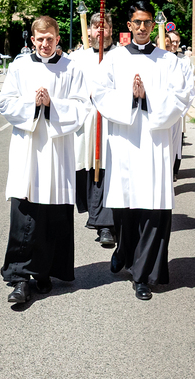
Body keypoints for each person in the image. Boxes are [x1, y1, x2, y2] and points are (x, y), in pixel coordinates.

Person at [91, 1, 192, 301]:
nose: (143, 27)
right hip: (125, 143)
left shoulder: (169, 61)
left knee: (153, 210)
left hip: (154, 144)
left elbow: (183, 96)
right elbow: (99, 93)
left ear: (153, 25)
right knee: (125, 210)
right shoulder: (113, 59)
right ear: (130, 25)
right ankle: (124, 251)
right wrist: (130, 98)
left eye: (148, 22)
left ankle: (143, 276)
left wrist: (148, 99)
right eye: (138, 22)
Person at [0, 16, 91, 304]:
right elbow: (5, 102)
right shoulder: (19, 66)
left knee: (53, 215)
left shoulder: (71, 68)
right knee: (25, 212)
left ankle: (45, 272)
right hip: (28, 149)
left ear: (58, 38)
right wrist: (32, 104)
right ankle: (19, 277)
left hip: (57, 150)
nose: (45, 44)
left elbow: (82, 107)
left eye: (50, 38)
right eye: (40, 39)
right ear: (32, 40)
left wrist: (52, 105)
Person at [69, 13, 118, 247]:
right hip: (86, 123)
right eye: (96, 27)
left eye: (105, 27)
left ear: (111, 31)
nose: (100, 32)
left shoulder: (121, 57)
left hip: (111, 123)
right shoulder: (77, 59)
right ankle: (95, 214)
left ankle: (105, 224)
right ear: (88, 31)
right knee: (87, 171)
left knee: (108, 169)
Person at [165, 31, 195, 181]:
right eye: (172, 41)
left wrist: (181, 108)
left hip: (177, 108)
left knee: (176, 142)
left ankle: (174, 170)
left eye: (177, 42)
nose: (175, 44)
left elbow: (189, 85)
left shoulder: (184, 60)